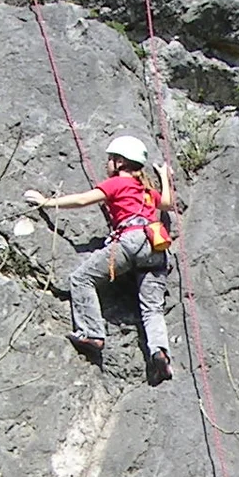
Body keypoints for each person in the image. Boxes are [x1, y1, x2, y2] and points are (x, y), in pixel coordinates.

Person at [24, 134, 175, 385]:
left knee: (81, 279)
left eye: (110, 159)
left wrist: (47, 202)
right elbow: (168, 204)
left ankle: (92, 333)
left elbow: (83, 200)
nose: (107, 164)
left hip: (131, 240)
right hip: (156, 246)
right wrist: (165, 178)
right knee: (152, 309)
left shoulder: (117, 183)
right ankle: (160, 353)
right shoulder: (147, 190)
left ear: (120, 162)